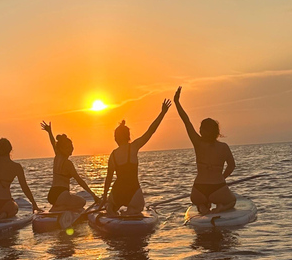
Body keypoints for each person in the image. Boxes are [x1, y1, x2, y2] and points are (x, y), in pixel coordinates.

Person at [100, 99, 171, 216]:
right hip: (132, 191)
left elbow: (108, 178)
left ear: (115, 138)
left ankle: (113, 209)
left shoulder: (113, 155)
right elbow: (151, 131)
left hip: (118, 192)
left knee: (111, 209)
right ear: (128, 136)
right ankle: (129, 212)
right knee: (137, 209)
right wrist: (163, 112)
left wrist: (105, 197)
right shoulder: (134, 147)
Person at [174, 86, 236, 214]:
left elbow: (186, 121)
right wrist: (222, 177)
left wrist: (177, 102)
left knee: (200, 203)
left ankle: (202, 207)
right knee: (232, 201)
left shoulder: (198, 143)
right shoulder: (224, 147)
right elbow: (232, 166)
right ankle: (221, 207)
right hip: (217, 188)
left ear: (205, 131)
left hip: (198, 191)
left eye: (201, 128)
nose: (199, 130)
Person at [40, 121, 99, 212]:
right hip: (62, 195)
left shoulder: (57, 156)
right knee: (82, 202)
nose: (71, 149)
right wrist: (93, 195)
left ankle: (57, 206)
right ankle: (60, 208)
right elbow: (79, 180)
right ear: (62, 148)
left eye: (71, 146)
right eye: (68, 147)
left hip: (51, 195)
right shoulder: (68, 164)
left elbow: (53, 143)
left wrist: (49, 132)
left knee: (71, 199)